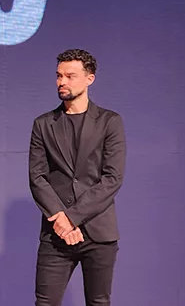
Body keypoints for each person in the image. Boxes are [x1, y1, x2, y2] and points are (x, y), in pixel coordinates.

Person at [28, 49, 126, 306]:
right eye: (59, 76)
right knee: (45, 302)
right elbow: (37, 177)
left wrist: (72, 218)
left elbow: (112, 178)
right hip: (55, 234)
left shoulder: (109, 121)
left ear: (89, 79)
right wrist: (60, 219)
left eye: (70, 76)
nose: (62, 82)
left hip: (98, 232)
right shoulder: (43, 124)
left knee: (98, 302)